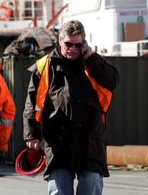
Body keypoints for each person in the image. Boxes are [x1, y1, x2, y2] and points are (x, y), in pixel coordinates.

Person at [23, 20, 119, 195]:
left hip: (90, 139)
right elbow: (32, 102)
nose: (73, 48)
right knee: (58, 190)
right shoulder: (44, 66)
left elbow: (113, 81)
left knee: (91, 184)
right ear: (60, 40)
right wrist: (31, 134)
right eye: (68, 44)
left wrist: (91, 58)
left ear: (84, 43)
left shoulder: (92, 62)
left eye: (78, 44)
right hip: (57, 141)